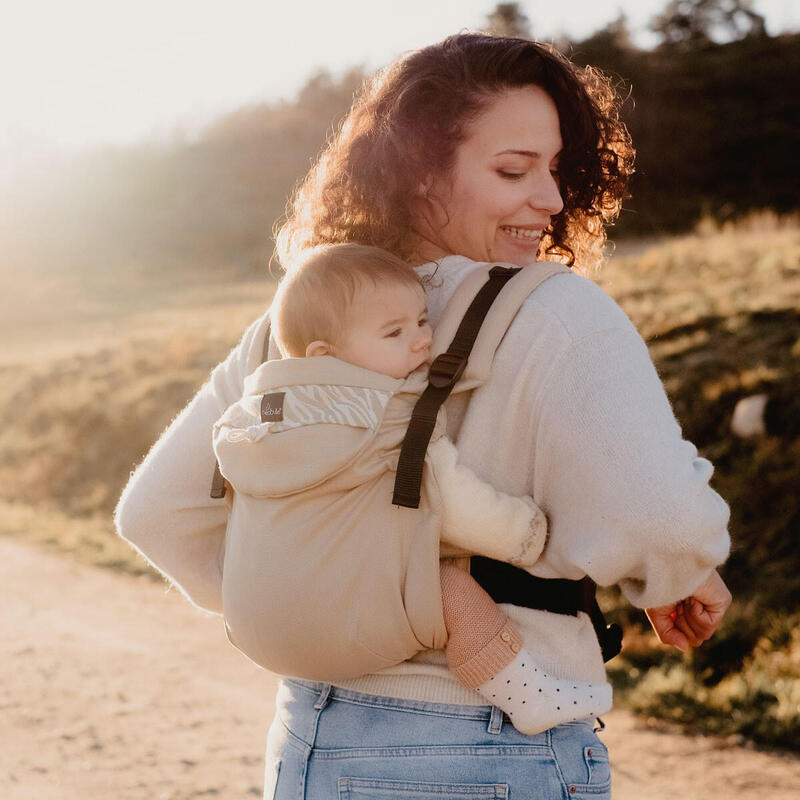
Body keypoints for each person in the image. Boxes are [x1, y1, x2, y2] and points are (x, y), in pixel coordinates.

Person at [116, 33, 733, 799]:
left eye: (555, 167)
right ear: (417, 175)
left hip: (314, 740)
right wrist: (682, 571)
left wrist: (335, 593)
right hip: (491, 747)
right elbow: (660, 520)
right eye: (514, 170)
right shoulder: (555, 312)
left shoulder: (301, 328)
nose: (551, 199)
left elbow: (157, 513)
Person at [213, 242, 611, 734]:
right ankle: (527, 693)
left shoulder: (254, 419)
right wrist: (529, 532)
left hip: (258, 629)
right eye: (395, 332)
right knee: (452, 589)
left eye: (422, 321)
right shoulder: (394, 415)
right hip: (357, 617)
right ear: (325, 355)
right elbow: (458, 507)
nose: (423, 340)